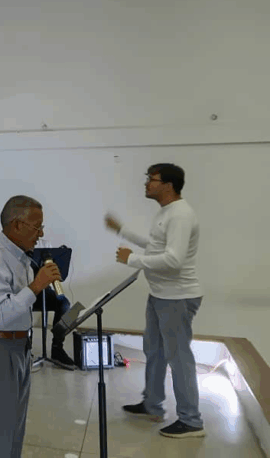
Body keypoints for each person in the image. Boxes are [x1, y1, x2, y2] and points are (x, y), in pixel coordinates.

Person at [105, 163, 205, 439]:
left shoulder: (181, 215)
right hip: (161, 294)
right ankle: (152, 404)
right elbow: (156, 246)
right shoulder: (167, 212)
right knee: (155, 351)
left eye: (152, 179)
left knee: (179, 358)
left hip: (177, 297)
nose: (147, 183)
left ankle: (192, 421)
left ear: (168, 185)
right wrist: (122, 230)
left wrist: (132, 260)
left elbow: (174, 260)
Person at [0, 195, 61, 458]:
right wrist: (36, 286)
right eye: (37, 227)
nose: (41, 234)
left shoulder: (19, 256)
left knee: (14, 427)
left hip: (17, 346)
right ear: (18, 225)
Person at [30, 238, 77, 369]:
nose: (40, 232)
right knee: (23, 305)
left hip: (45, 289)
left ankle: (57, 346)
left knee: (65, 305)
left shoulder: (46, 245)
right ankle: (26, 349)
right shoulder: (20, 243)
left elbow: (56, 275)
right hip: (26, 289)